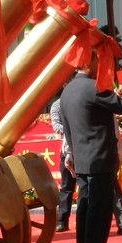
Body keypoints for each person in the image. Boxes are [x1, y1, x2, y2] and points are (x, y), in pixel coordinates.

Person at [60, 55, 122, 243]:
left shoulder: (68, 91)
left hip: (83, 158)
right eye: (99, 61)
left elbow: (67, 129)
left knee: (85, 208)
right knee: (99, 210)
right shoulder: (94, 87)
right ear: (89, 63)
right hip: (100, 158)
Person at [50, 93, 75, 232]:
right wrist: (73, 130)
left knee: (87, 187)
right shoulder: (57, 105)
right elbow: (56, 125)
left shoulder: (80, 100)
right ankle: (62, 221)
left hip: (84, 148)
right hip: (66, 149)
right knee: (66, 187)